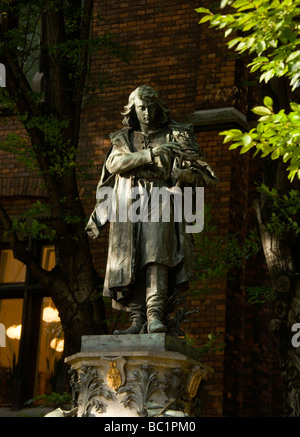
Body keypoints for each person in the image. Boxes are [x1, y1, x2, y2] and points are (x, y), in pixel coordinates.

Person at [86, 85, 217, 335]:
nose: (146, 112)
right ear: (133, 110)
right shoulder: (122, 139)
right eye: (141, 108)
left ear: (158, 107)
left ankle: (155, 315)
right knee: (129, 260)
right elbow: (114, 164)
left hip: (160, 199)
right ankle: (136, 321)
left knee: (157, 256)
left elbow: (208, 176)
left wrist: (185, 174)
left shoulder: (176, 136)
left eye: (150, 107)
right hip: (127, 203)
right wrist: (151, 154)